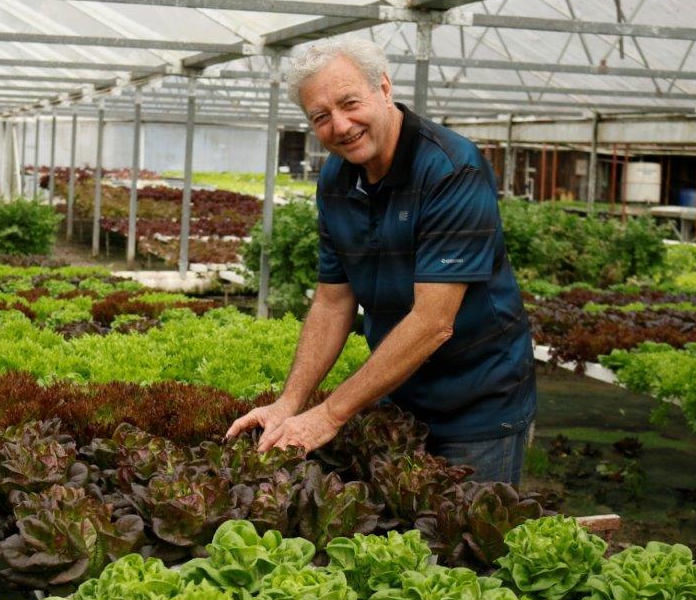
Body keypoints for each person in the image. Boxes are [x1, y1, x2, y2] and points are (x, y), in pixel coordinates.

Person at [225, 39, 536, 484]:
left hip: (480, 401)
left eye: (350, 103)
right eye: (321, 117)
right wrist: (290, 403)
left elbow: (433, 322)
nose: (341, 125)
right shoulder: (336, 177)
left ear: (384, 88)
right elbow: (333, 302)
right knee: (405, 537)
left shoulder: (450, 169)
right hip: (399, 389)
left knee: (467, 545)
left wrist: (329, 415)